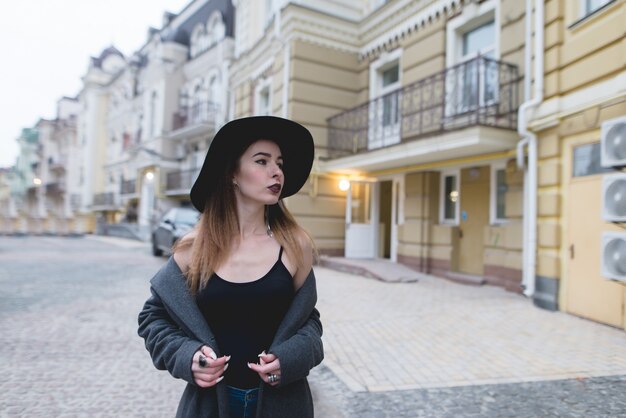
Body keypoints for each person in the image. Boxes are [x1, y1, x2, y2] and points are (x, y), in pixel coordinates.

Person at [138, 116, 323, 418]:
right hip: (210, 408)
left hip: (284, 406)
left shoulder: (295, 245)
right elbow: (152, 319)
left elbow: (310, 324)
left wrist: (290, 359)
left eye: (280, 163)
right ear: (232, 174)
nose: (277, 171)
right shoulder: (192, 249)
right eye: (262, 161)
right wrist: (189, 357)